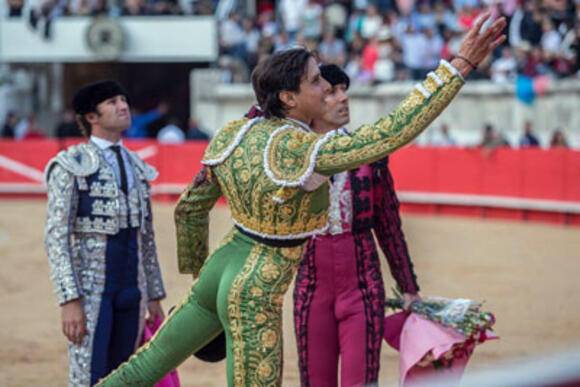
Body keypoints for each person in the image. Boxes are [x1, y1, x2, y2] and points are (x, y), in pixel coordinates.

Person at [98, 14, 506, 386]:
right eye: (315, 81)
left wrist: (197, 274)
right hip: (257, 285)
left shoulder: (234, 133)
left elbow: (189, 209)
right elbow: (391, 132)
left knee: (142, 369)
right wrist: (459, 67)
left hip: (219, 270)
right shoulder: (301, 148)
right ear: (289, 99)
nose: (327, 86)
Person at [293, 64, 420, 387]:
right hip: (311, 287)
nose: (343, 98)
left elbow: (389, 224)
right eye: (331, 91)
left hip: (362, 285)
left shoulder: (370, 154)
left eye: (344, 90)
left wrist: (408, 286)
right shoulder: (291, 157)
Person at [44, 81, 166, 386]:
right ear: (91, 117)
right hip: (91, 291)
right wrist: (69, 300)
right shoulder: (70, 166)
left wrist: (153, 294)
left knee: (127, 376)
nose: (123, 106)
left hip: (133, 289)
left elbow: (146, 237)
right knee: (88, 376)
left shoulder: (138, 167)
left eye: (123, 99)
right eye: (112, 102)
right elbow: (56, 237)